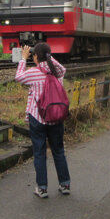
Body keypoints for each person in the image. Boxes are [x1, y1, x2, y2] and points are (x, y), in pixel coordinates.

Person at [15, 43, 71, 198]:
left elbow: (18, 77)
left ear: (35, 57)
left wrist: (23, 59)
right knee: (59, 151)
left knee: (39, 153)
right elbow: (61, 67)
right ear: (49, 55)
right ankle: (65, 184)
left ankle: (42, 188)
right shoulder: (58, 71)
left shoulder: (34, 72)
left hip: (38, 119)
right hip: (56, 118)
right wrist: (47, 55)